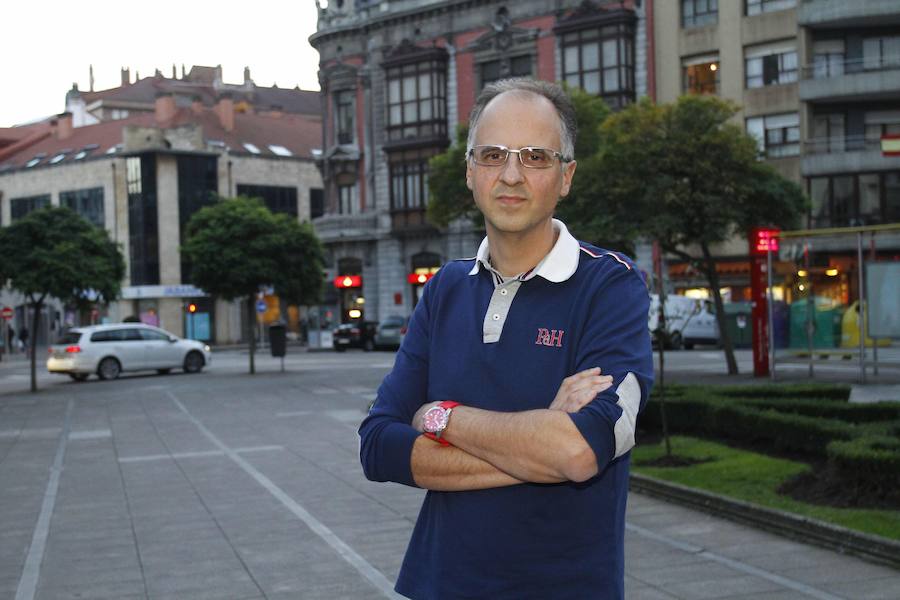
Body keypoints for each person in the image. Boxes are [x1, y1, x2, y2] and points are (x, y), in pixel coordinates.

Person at [358, 78, 654, 599]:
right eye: (493, 155)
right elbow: (378, 446)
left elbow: (582, 452)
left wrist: (438, 416)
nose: (511, 175)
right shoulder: (445, 288)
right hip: (438, 585)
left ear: (566, 176)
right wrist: (538, 445)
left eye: (536, 157)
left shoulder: (611, 285)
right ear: (470, 171)